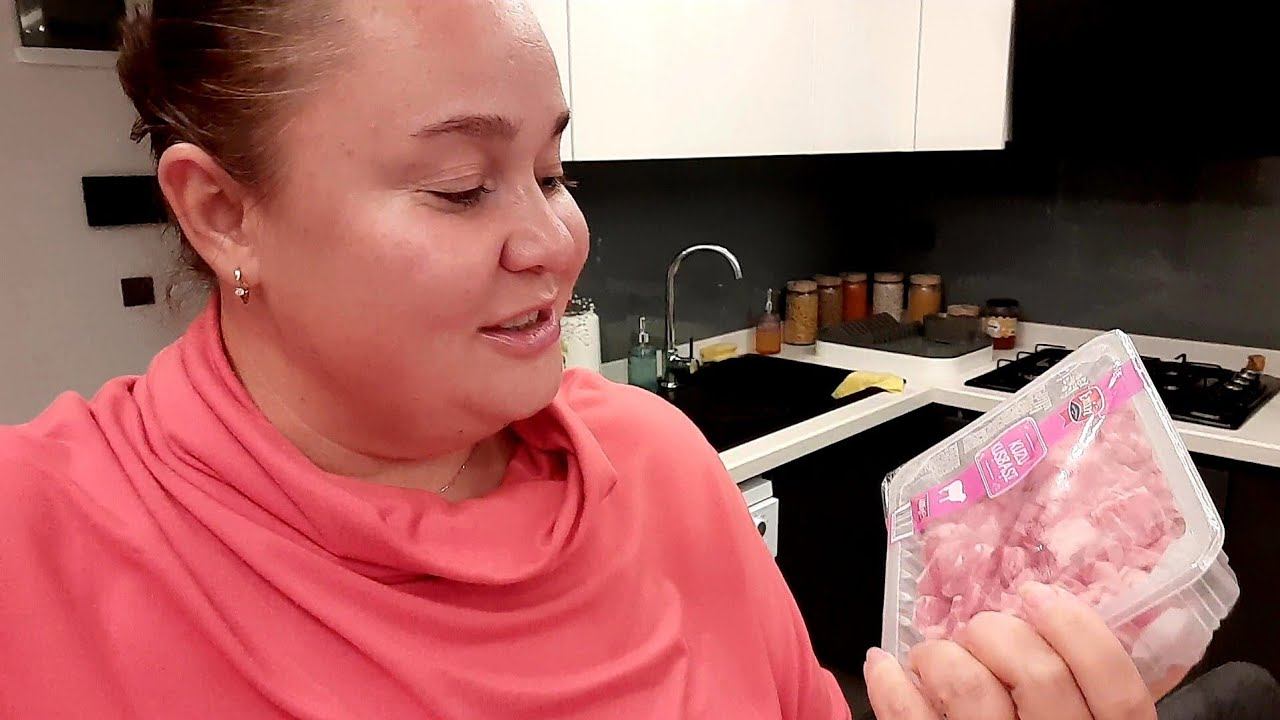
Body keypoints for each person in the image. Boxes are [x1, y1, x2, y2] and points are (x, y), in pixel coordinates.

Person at [0, 1, 1182, 718]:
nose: (555, 240)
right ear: (223, 214)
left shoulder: (659, 465)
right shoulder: (35, 546)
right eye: (459, 186)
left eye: (552, 173)